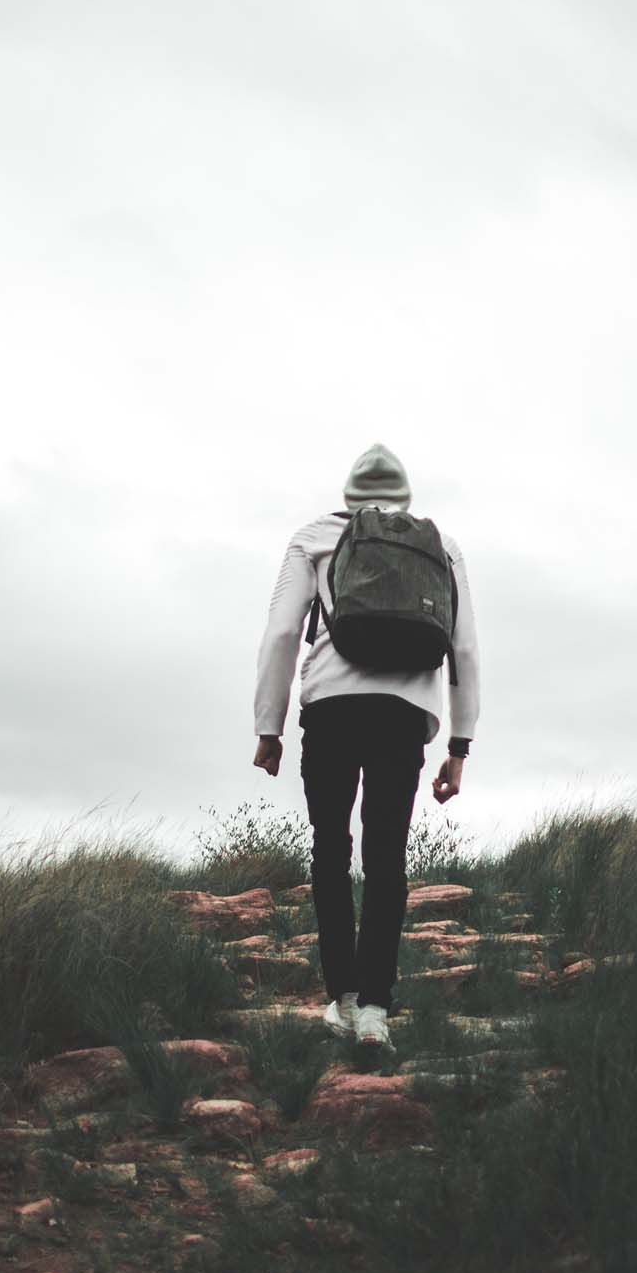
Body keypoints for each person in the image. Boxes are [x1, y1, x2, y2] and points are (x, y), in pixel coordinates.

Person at [252, 442, 481, 1051]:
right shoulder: (441, 545)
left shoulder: (315, 536)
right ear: (404, 496)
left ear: (349, 493)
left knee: (331, 847)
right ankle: (378, 1009)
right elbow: (464, 652)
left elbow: (280, 633)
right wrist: (458, 746)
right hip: (405, 714)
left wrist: (268, 726)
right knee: (386, 855)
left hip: (330, 707)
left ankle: (345, 998)